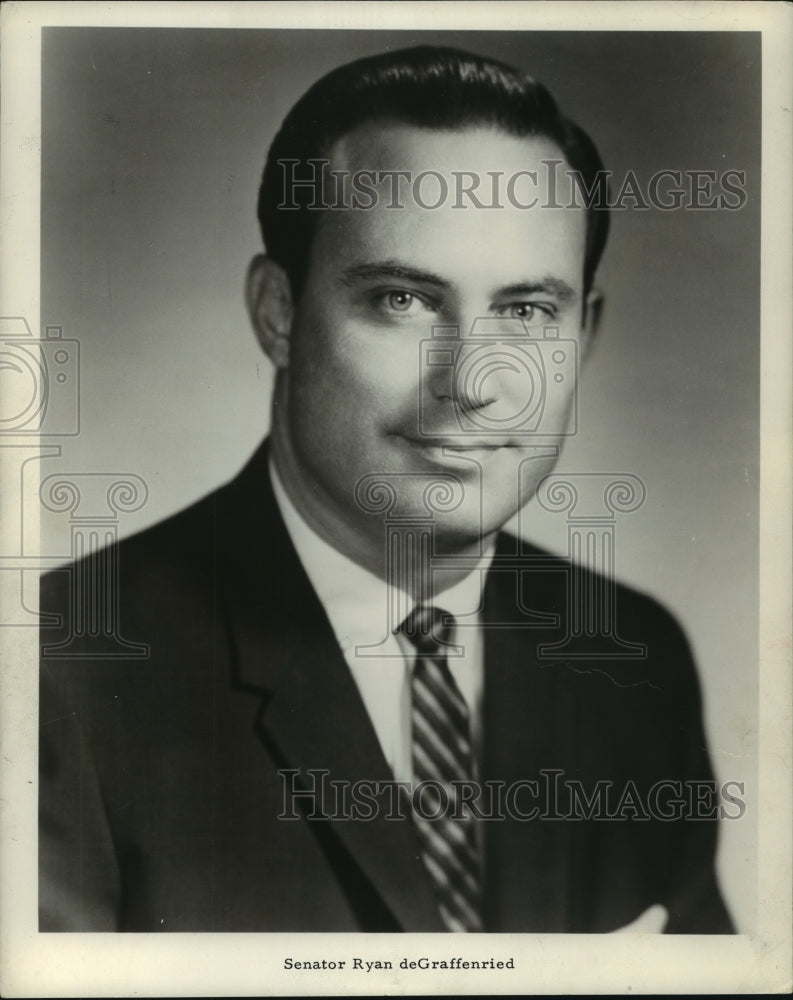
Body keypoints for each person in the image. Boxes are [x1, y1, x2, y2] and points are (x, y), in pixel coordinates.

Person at [38, 45, 734, 933]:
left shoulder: (631, 660)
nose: (472, 382)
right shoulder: (58, 676)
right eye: (402, 300)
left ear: (583, 335)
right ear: (278, 312)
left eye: (526, 312)